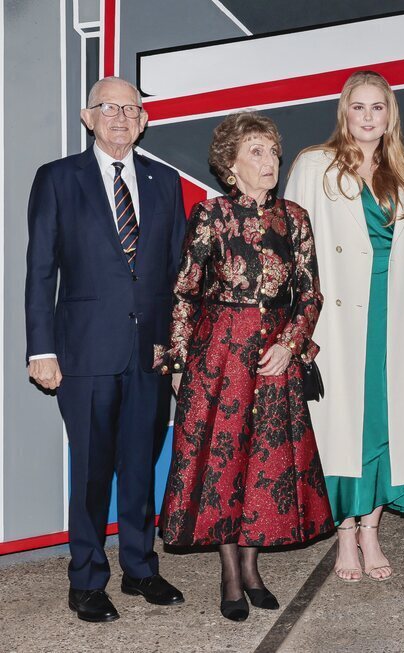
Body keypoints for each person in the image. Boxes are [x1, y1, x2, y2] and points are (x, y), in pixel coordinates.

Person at [155, 112, 332, 621]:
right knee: (223, 467)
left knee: (264, 465)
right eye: (256, 152)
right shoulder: (211, 216)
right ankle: (231, 575)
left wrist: (292, 345)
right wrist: (179, 360)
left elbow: (311, 295)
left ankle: (252, 568)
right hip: (220, 358)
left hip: (274, 358)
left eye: (273, 152)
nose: (269, 161)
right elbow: (186, 291)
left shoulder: (295, 218)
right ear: (230, 166)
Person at [25, 77, 186, 622]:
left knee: (140, 467)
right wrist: (40, 349)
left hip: (151, 352)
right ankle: (87, 579)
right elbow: (40, 272)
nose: (120, 116)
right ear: (86, 117)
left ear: (143, 121)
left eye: (131, 108)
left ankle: (141, 568)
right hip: (85, 353)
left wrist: (177, 346)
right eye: (108, 107)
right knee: (93, 473)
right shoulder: (57, 179)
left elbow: (175, 274)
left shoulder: (164, 181)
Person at [285, 70, 404, 582]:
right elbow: (294, 249)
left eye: (378, 108)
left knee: (385, 421)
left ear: (391, 115)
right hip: (339, 318)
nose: (369, 117)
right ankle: (346, 532)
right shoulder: (314, 165)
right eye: (359, 107)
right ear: (344, 113)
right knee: (346, 423)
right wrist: (296, 327)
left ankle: (372, 528)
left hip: (394, 314)